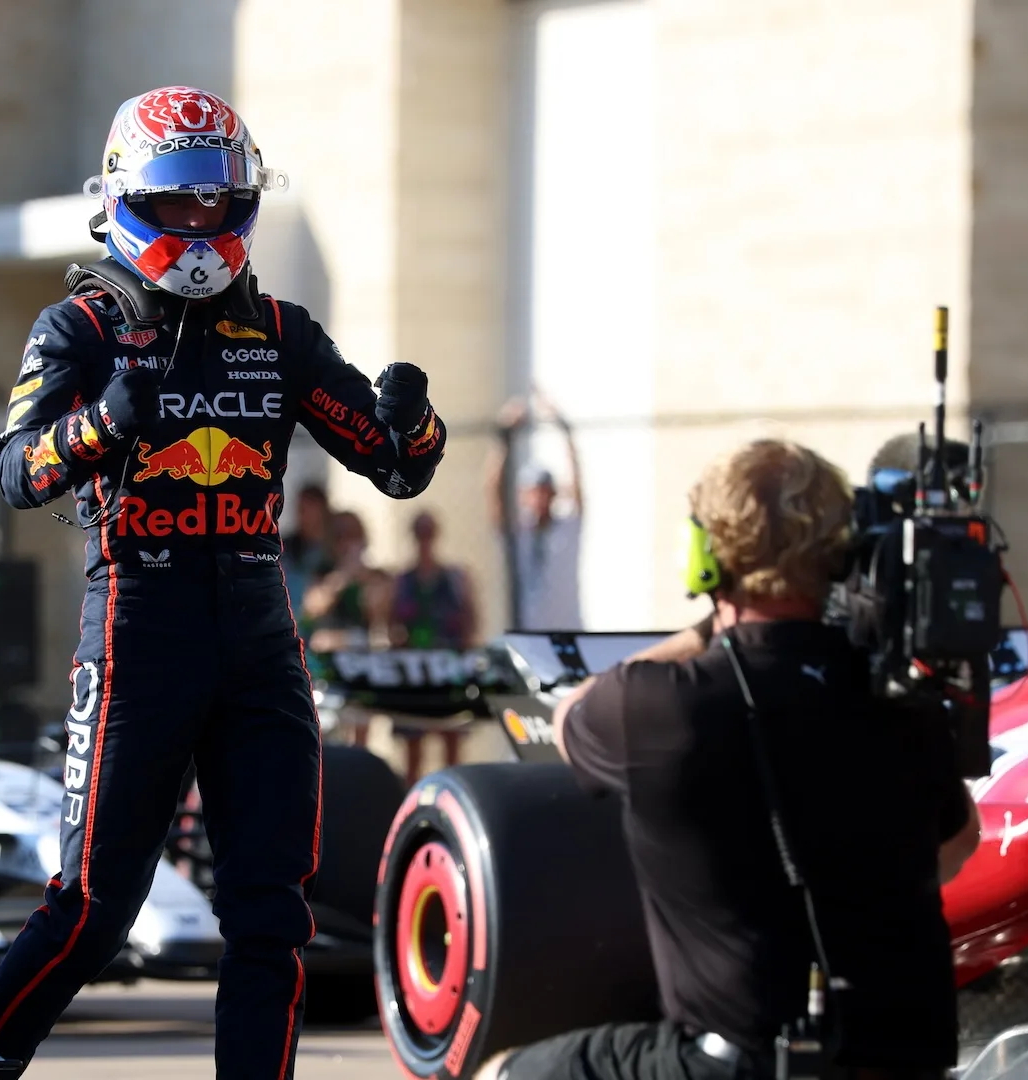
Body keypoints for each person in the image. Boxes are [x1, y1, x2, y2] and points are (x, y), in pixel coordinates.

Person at [0, 85, 446, 1078]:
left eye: (216, 198)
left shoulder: (280, 330)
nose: (198, 220)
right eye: (175, 198)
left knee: (272, 914)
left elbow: (394, 466)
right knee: (93, 909)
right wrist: (103, 423)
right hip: (135, 630)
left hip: (258, 639)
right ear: (122, 199)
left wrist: (416, 420)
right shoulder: (81, 326)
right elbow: (16, 472)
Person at [476, 439, 982, 1080]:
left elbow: (570, 715)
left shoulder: (655, 706)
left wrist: (700, 635)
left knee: (501, 1073)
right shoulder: (908, 705)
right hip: (907, 1063)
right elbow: (959, 842)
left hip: (735, 1064)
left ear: (707, 559)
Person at [486, 391, 583, 629]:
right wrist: (504, 440)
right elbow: (493, 491)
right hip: (530, 633)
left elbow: (579, 485)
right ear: (523, 496)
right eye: (533, 491)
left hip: (569, 629)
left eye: (544, 491)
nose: (538, 498)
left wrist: (564, 429)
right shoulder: (519, 534)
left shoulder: (567, 528)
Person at [301, 510, 393, 651]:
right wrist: (341, 577)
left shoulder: (377, 576)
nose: (345, 543)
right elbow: (311, 608)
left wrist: (363, 578)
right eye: (339, 536)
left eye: (352, 536)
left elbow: (379, 619)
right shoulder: (322, 573)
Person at [388, 510, 479, 649]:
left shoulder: (455, 580)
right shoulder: (402, 582)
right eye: (420, 533)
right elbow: (393, 623)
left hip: (450, 652)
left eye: (428, 533)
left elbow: (470, 620)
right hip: (413, 654)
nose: (424, 540)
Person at [282, 482, 335, 625]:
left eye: (308, 509)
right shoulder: (286, 546)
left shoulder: (335, 548)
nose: (303, 516)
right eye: (300, 510)